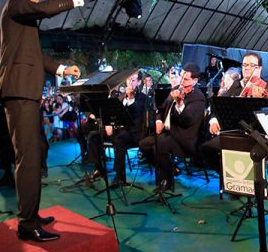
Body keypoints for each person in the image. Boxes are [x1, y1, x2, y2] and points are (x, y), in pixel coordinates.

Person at [0, 0, 97, 243]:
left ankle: (32, 214)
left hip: (25, 93)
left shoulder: (24, 20)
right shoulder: (18, 2)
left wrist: (63, 69)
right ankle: (27, 224)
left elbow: (36, 56)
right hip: (18, 92)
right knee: (28, 157)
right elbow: (44, 10)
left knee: (36, 153)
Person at [139, 63, 206, 192]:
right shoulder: (175, 89)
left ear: (195, 81)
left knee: (160, 147)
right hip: (168, 132)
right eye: (181, 77)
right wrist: (158, 120)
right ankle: (170, 168)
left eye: (185, 79)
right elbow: (161, 109)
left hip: (183, 137)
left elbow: (187, 121)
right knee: (144, 144)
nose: (181, 81)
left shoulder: (198, 98)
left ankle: (167, 180)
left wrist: (180, 103)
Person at [85, 71, 147, 187]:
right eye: (128, 80)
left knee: (119, 138)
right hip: (118, 130)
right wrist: (108, 123)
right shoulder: (120, 96)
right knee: (93, 136)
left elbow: (136, 113)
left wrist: (131, 98)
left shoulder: (142, 98)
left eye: (133, 80)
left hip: (133, 132)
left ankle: (120, 177)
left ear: (139, 82)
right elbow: (112, 113)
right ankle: (99, 169)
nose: (130, 82)